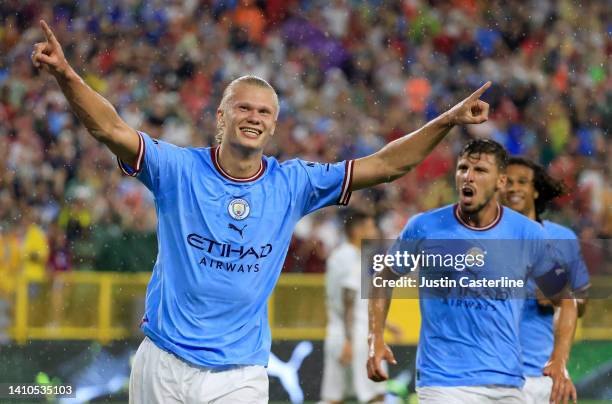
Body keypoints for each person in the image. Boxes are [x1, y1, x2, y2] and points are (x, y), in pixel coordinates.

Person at [32, 19, 491, 403]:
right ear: (221, 116)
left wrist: (448, 119)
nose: (254, 117)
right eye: (243, 107)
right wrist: (67, 75)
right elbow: (111, 128)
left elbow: (390, 164)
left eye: (264, 112)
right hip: (163, 361)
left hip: (240, 373)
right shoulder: (177, 170)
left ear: (273, 125)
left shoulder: (293, 183)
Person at [367, 139, 578, 404]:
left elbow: (566, 300)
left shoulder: (528, 233)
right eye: (463, 168)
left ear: (500, 182)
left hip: (507, 382)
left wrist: (558, 360)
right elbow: (383, 278)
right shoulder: (424, 227)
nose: (468, 176)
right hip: (443, 382)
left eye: (480, 171)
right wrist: (375, 337)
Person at [502, 156, 590, 404]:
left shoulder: (563, 238)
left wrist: (557, 300)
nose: (513, 188)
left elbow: (580, 302)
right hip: (497, 372)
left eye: (521, 182)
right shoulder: (486, 239)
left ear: (536, 190)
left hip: (543, 371)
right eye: (507, 182)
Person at [321, 209, 400, 404]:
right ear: (357, 231)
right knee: (375, 394)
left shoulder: (340, 255)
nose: (374, 231)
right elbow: (349, 299)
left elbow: (354, 302)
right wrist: (349, 341)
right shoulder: (351, 257)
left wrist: (386, 324)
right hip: (357, 337)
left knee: (334, 397)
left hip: (338, 333)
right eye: (371, 226)